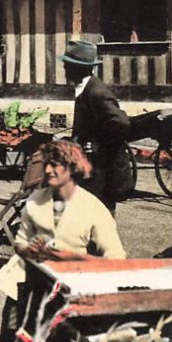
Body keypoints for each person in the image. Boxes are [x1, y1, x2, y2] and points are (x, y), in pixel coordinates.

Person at [0, 139, 125, 342]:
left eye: (56, 165)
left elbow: (115, 259)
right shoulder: (34, 201)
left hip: (66, 288)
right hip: (23, 281)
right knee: (11, 336)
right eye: (47, 164)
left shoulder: (93, 208)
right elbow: (20, 242)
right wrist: (30, 250)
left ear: (72, 168)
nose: (49, 170)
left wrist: (70, 259)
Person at [61, 38, 132, 212]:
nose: (64, 68)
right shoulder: (86, 89)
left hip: (104, 173)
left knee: (100, 223)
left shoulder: (97, 92)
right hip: (92, 171)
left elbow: (122, 123)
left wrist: (98, 145)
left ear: (78, 68)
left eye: (67, 64)